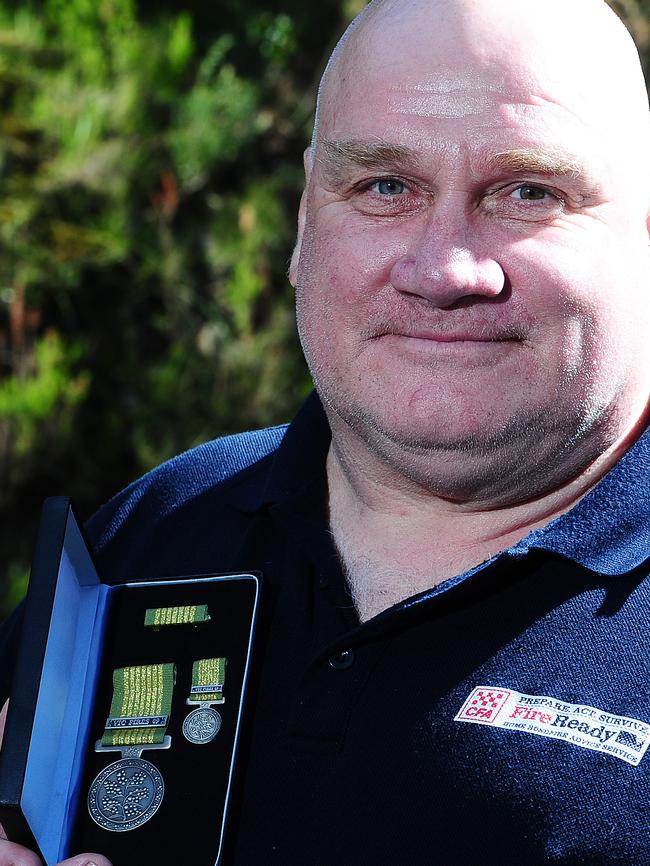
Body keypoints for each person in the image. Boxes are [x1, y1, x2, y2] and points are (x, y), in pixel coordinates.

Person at [1, 0, 650, 862]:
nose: (444, 269)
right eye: (385, 186)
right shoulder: (159, 527)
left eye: (529, 192)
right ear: (308, 221)